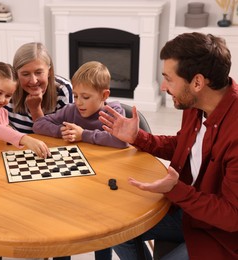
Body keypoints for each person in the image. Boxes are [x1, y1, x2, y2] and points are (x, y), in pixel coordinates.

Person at [99, 32, 238, 259]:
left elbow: (232, 217)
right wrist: (138, 138)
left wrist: (175, 190)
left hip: (220, 234)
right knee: (115, 228)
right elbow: (185, 145)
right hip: (188, 212)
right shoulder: (197, 103)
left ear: (197, 82)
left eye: (169, 79)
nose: (163, 86)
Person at [0, 42, 73, 133]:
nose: (33, 80)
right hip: (13, 146)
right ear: (15, 74)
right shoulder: (8, 84)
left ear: (49, 71)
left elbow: (62, 133)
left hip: (50, 146)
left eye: (38, 72)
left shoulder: (63, 89)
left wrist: (35, 110)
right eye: (25, 74)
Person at [33, 61, 128, 149]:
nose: (78, 102)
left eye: (86, 97)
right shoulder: (70, 110)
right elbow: (38, 124)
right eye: (75, 96)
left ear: (104, 95)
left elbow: (122, 141)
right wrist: (64, 131)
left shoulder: (114, 113)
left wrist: (83, 134)